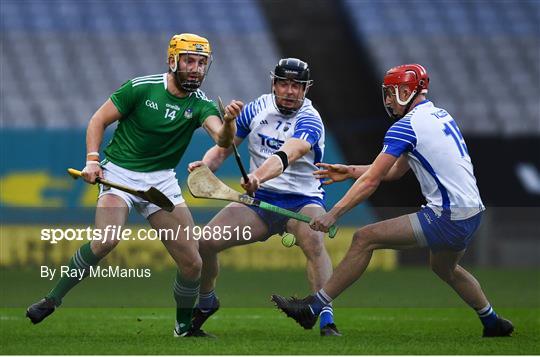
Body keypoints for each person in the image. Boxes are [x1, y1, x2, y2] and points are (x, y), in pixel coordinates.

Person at [271, 64, 514, 338]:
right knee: (444, 268)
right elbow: (396, 170)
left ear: (406, 91)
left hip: (447, 216)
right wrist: (350, 171)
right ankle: (493, 322)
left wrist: (333, 214)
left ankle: (313, 307)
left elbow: (373, 180)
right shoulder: (439, 115)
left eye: (390, 93)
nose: (387, 100)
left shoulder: (405, 126)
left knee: (364, 238)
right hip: (471, 213)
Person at [26, 33, 244, 338]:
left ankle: (183, 328)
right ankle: (52, 299)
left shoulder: (202, 105)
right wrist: (92, 161)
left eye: (202, 63)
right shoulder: (141, 88)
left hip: (162, 182)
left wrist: (230, 121)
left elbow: (223, 139)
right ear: (173, 61)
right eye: (189, 61)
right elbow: (97, 120)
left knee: (193, 263)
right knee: (106, 241)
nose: (196, 69)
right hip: (119, 175)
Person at [187, 58, 341, 336]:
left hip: (302, 199)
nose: (290, 91)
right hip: (258, 203)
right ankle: (207, 301)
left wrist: (259, 176)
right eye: (284, 83)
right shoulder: (257, 107)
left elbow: (288, 154)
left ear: (307, 89)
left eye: (297, 85)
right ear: (273, 83)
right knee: (205, 243)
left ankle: (324, 317)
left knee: (314, 242)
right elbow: (224, 147)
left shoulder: (310, 119)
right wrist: (205, 165)